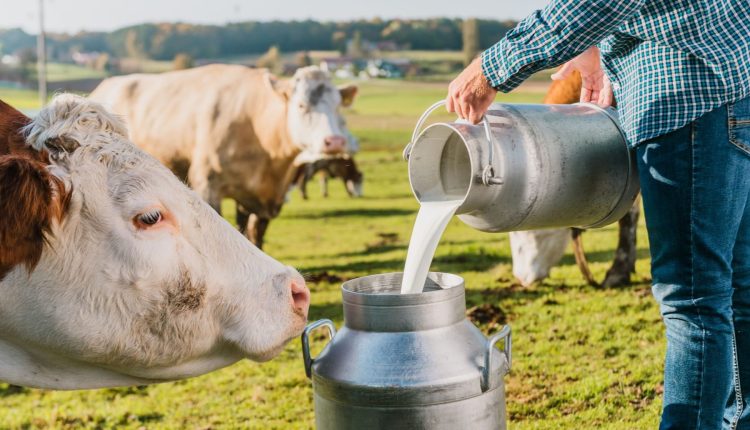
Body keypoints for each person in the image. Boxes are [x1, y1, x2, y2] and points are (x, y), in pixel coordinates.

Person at [447, 1, 750, 429]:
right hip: (730, 91)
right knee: (735, 285)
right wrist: (596, 49)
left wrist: (490, 68)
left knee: (693, 296)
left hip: (688, 94)